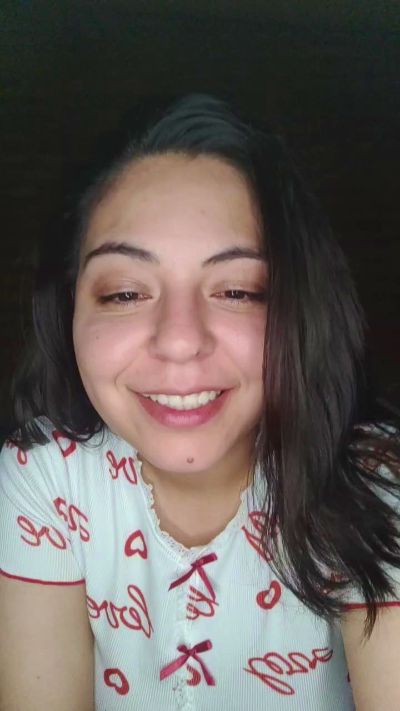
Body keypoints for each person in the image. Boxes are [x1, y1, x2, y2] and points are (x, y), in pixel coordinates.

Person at [0, 94, 399, 711]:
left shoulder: (377, 482)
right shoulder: (47, 481)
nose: (180, 340)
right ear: (69, 309)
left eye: (237, 290)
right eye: (125, 293)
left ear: (301, 310)